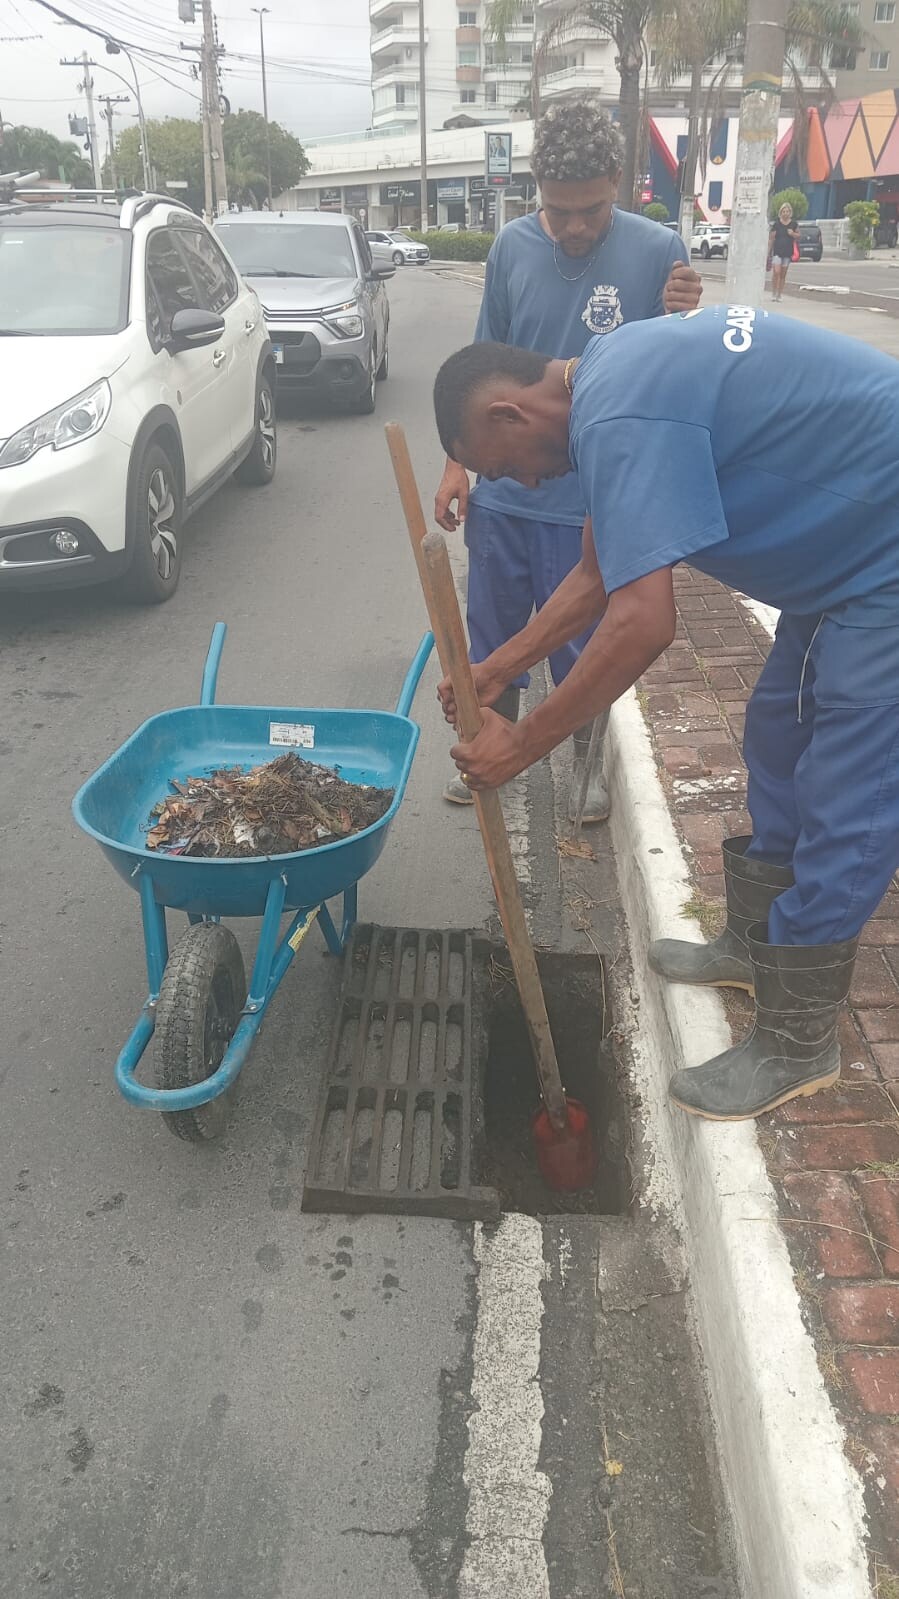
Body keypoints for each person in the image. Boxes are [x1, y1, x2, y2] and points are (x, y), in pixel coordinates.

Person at [430, 307, 899, 1122]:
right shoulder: (612, 383)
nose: (525, 485)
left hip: (881, 562)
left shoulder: (619, 412)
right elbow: (596, 573)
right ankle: (754, 945)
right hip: (846, 560)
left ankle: (798, 1041)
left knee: (849, 789)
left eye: (504, 469)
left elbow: (642, 623)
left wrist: (523, 744)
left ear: (509, 413)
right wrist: (494, 668)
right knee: (777, 735)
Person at [434, 100, 702, 820]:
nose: (576, 226)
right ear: (537, 193)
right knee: (493, 630)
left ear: (617, 182)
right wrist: (459, 464)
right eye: (559, 212)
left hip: (590, 494)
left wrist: (683, 314)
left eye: (591, 210)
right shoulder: (511, 247)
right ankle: (485, 746)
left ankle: (583, 763)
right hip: (506, 492)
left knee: (583, 641)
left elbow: (669, 366)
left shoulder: (657, 249)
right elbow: (479, 363)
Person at [768, 203, 800, 301]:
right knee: (776, 272)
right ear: (780, 213)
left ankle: (779, 294)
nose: (785, 213)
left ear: (790, 213)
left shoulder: (793, 224)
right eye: (783, 211)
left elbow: (799, 235)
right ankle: (774, 292)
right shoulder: (777, 224)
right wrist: (768, 252)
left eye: (787, 211)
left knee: (783, 274)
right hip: (777, 251)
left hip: (787, 252)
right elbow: (771, 238)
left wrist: (793, 233)